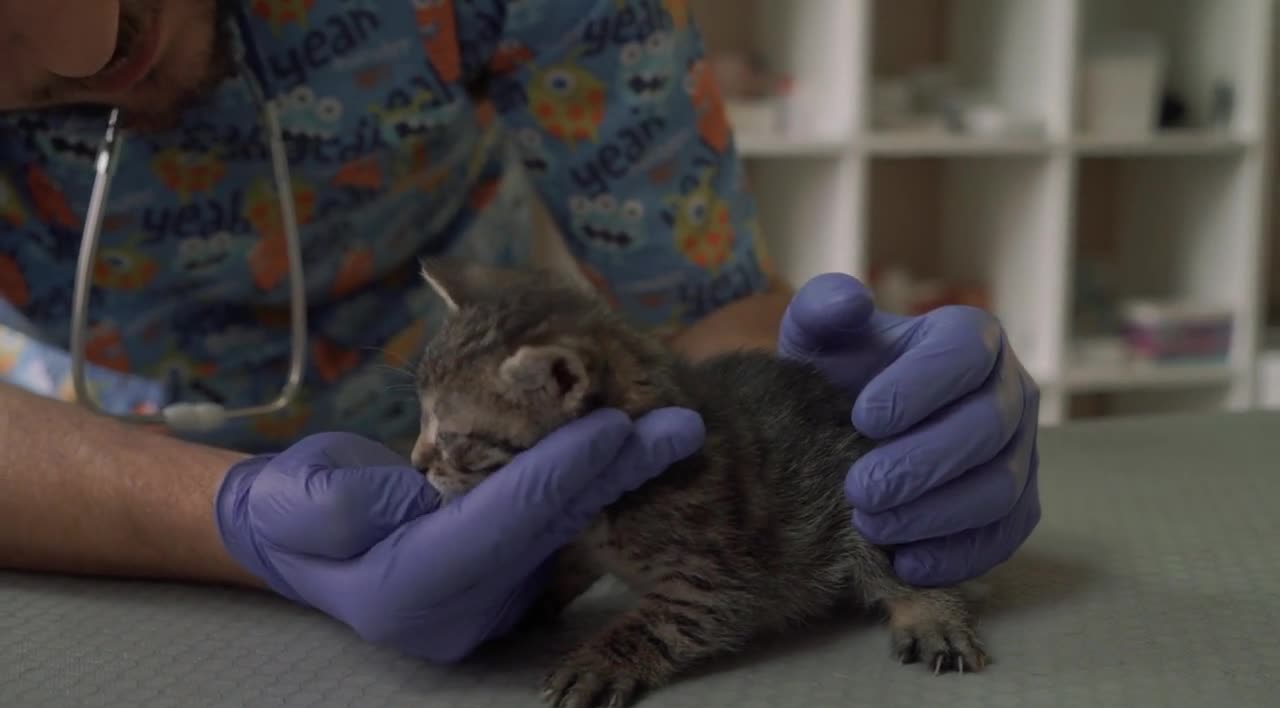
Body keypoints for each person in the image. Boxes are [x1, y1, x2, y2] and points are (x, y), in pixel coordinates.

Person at [0, 0, 1041, 663]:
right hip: (74, 468)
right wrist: (222, 515)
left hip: (506, 419)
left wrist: (837, 415)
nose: (55, 59)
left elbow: (702, 306)